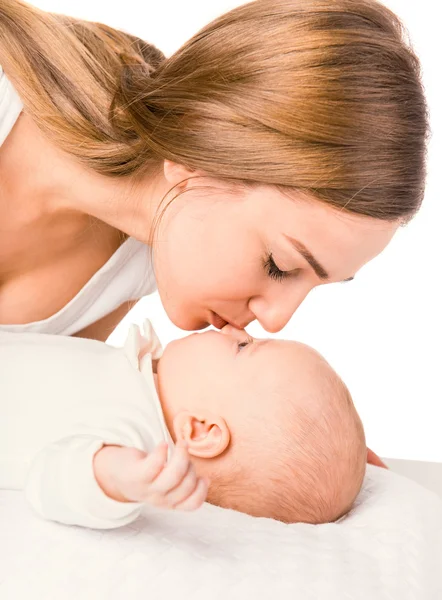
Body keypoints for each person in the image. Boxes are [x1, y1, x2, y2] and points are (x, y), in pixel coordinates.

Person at [0, 0, 429, 467]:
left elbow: (34, 412)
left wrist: (285, 459)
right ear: (196, 160)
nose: (277, 320)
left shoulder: (140, 262)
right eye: (280, 265)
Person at [0, 319, 366, 527]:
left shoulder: (133, 439)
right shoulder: (144, 382)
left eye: (244, 346)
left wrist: (112, 477)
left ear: (202, 431)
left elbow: (54, 479)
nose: (237, 328)